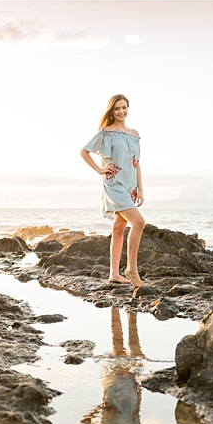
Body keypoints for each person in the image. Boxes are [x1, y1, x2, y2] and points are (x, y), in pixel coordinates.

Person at [79, 94, 146, 287]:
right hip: (114, 184)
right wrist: (99, 170)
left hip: (130, 186)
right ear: (112, 111)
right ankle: (132, 270)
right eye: (117, 108)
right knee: (139, 222)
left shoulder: (134, 134)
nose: (121, 111)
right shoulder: (106, 132)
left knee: (118, 228)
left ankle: (114, 274)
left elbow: (136, 163)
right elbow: (84, 151)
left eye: (124, 107)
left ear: (128, 108)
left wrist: (140, 189)